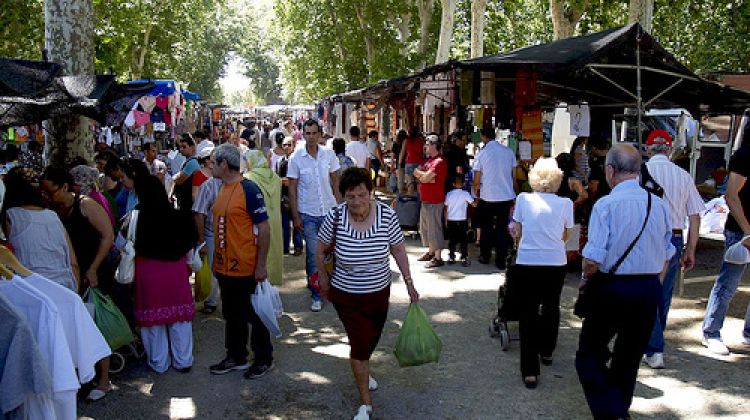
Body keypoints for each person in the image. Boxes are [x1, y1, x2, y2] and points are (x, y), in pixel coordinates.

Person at [575, 144, 674, 420]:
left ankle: (609, 411)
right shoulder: (659, 204)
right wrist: (654, 282)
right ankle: (619, 409)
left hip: (612, 286)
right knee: (629, 356)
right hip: (647, 288)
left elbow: (592, 259)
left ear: (610, 170)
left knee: (589, 354)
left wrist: (586, 279)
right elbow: (667, 253)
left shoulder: (606, 205)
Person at [316, 167, 420, 420]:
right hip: (345, 293)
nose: (356, 201)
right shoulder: (336, 216)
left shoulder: (386, 215)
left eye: (361, 195)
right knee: (359, 343)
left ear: (370, 193)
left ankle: (363, 366)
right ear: (343, 197)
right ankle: (366, 403)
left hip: (378, 292)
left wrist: (408, 281)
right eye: (350, 196)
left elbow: (397, 249)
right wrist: (323, 280)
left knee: (371, 337)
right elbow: (320, 249)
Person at [208, 144, 274, 379]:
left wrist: (261, 264)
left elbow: (264, 229)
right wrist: (216, 259)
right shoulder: (223, 188)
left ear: (224, 164)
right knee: (232, 314)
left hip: (246, 266)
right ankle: (236, 356)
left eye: (214, 161)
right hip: (225, 267)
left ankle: (263, 357)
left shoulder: (248, 188)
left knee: (253, 314)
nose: (210, 165)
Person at [641, 132, 703, 368]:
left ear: (648, 149)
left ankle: (653, 346)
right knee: (663, 295)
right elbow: (695, 217)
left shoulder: (640, 173)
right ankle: (654, 346)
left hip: (647, 236)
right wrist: (691, 248)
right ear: (669, 150)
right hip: (675, 237)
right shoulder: (683, 175)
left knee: (647, 290)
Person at [511, 158, 574, 389]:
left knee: (527, 312)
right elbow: (566, 235)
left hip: (528, 260)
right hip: (555, 261)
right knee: (551, 306)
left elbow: (517, 230)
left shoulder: (523, 200)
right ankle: (547, 350)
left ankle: (529, 370)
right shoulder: (566, 203)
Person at [131, 175, 197, 374]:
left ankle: (159, 362)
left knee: (152, 323)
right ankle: (183, 360)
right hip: (175, 272)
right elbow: (190, 244)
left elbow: (122, 244)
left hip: (147, 272)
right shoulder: (177, 215)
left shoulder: (136, 217)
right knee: (180, 320)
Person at [701, 130, 750, 355]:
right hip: (740, 231)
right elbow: (732, 195)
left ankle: (748, 333)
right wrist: (748, 230)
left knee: (729, 282)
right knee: (728, 283)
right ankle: (711, 332)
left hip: (744, 230)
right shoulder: (745, 155)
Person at [288, 119, 341, 312]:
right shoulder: (296, 158)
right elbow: (292, 190)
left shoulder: (329, 155)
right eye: (307, 133)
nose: (310, 137)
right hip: (307, 213)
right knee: (313, 254)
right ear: (302, 134)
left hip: (329, 212)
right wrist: (296, 217)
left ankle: (332, 288)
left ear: (320, 134)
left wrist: (341, 209)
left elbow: (336, 183)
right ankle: (316, 293)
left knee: (332, 253)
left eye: (314, 133)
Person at [2, 167, 79, 292]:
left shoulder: (12, 216)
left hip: (31, 291)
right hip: (64, 287)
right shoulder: (53, 216)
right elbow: (73, 264)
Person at [473, 126, 517, 269]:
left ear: (483, 137)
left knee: (486, 227)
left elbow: (477, 179)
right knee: (502, 228)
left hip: (488, 196)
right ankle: (501, 260)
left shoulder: (482, 154)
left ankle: (485, 256)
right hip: (505, 196)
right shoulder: (508, 152)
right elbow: (514, 177)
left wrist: (476, 193)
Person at [244, 150, 283, 286]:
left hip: (257, 222)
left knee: (260, 254)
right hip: (275, 221)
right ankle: (271, 283)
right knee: (274, 250)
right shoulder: (276, 177)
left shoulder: (248, 178)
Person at [192, 150, 222, 315]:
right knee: (212, 268)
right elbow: (199, 213)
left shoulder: (239, 183)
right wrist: (202, 240)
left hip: (232, 234)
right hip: (211, 233)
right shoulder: (209, 185)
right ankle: (211, 301)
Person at [414, 135, 448, 268]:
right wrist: (424, 177)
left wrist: (423, 177)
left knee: (435, 228)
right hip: (426, 198)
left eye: (427, 144)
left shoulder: (439, 161)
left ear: (434, 145)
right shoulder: (427, 161)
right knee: (426, 228)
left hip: (435, 199)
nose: (425, 146)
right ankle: (431, 252)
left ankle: (438, 257)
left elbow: (425, 177)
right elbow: (417, 173)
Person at [70, 164, 117, 229]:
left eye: (74, 184)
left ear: (82, 183)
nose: (71, 187)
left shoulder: (90, 199)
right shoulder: (94, 192)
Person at [444, 174, 476, 266]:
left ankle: (451, 256)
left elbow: (446, 208)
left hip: (451, 219)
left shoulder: (449, 194)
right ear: (463, 184)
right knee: (463, 240)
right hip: (462, 219)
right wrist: (478, 198)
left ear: (453, 184)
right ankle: (464, 257)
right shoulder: (466, 194)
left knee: (452, 240)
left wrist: (445, 220)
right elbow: (473, 204)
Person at [170, 134, 200, 213]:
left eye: (184, 147)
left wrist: (174, 178)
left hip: (188, 203)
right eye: (180, 147)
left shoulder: (192, 163)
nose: (181, 149)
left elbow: (178, 180)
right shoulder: (186, 161)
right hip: (184, 202)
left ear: (192, 147)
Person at [398, 127, 424, 195]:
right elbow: (424, 152)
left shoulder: (406, 140)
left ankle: (411, 201)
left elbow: (402, 153)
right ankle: (419, 201)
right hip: (419, 163)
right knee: (419, 183)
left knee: (410, 184)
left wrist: (399, 163)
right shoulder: (421, 140)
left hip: (409, 163)